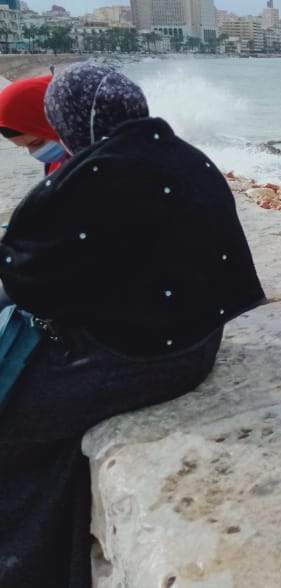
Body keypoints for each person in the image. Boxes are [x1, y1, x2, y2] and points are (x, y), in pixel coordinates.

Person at [0, 63, 266, 586]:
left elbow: (29, 279)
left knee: (12, 425)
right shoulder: (181, 155)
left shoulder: (98, 177)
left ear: (70, 121)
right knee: (53, 442)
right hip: (197, 341)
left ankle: (26, 563)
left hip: (144, 359)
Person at [0, 75, 69, 174]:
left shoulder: (91, 162)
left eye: (37, 142)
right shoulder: (57, 164)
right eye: (24, 147)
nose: (34, 152)